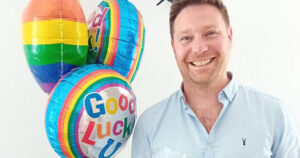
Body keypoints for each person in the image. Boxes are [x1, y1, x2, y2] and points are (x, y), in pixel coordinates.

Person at [131, 0, 300, 157]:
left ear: (229, 36)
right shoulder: (149, 125)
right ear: (174, 47)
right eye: (186, 38)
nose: (199, 48)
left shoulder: (275, 114)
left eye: (210, 33)